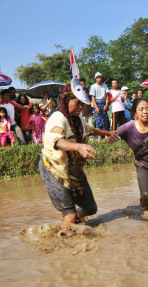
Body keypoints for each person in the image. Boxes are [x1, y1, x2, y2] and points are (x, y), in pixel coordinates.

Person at [39, 80, 113, 229]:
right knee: (70, 215)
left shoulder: (77, 118)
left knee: (91, 209)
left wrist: (108, 133)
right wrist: (78, 146)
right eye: (77, 103)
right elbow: (58, 141)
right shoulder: (57, 118)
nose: (81, 107)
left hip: (73, 170)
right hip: (54, 169)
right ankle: (63, 238)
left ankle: (68, 224)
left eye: (82, 104)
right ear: (66, 100)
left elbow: (90, 129)